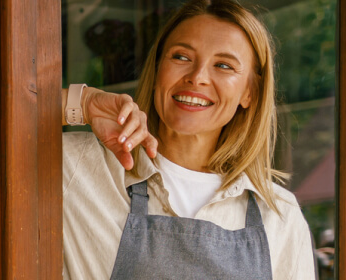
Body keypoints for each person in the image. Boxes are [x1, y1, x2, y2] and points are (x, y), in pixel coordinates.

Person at [58, 0, 314, 278]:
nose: (197, 77)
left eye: (224, 65)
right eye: (181, 57)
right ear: (157, 70)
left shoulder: (279, 215)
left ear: (249, 92)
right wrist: (84, 102)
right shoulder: (80, 167)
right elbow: (5, 118)